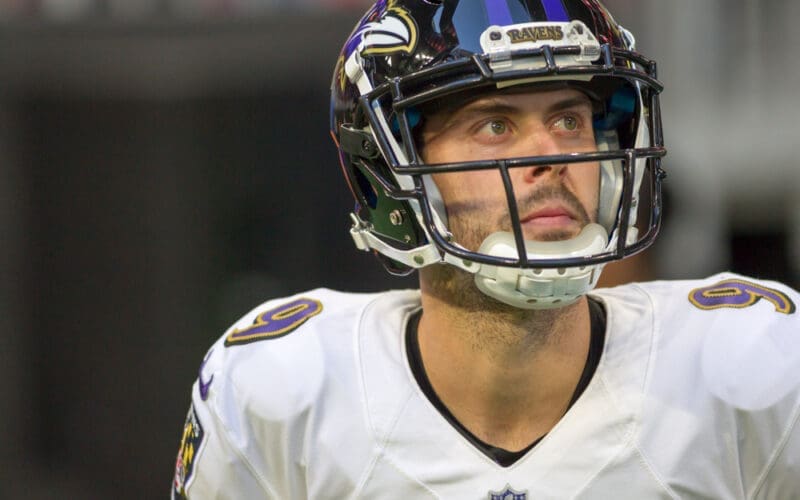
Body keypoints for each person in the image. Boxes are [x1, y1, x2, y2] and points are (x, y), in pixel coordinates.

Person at [171, 1, 800, 498]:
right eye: (495, 125)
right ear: (391, 174)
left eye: (569, 120)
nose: (553, 158)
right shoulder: (279, 395)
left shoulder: (754, 370)